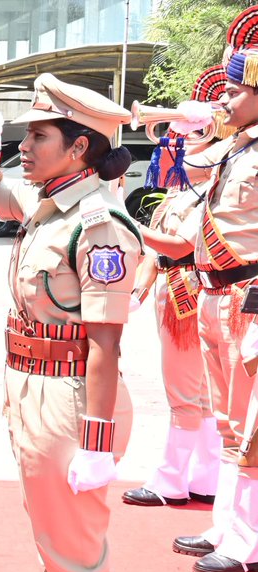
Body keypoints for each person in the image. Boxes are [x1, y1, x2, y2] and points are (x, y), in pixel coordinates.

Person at [0, 73, 141, 572]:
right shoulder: (49, 207)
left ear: (79, 148)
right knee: (54, 542)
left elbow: (105, 344)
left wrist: (97, 445)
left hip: (72, 399)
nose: (25, 144)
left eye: (37, 135)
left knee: (79, 555)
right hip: (32, 387)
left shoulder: (96, 224)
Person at [123, 65, 228, 510]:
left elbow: (178, 244)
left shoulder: (206, 193)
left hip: (186, 292)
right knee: (198, 395)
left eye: (191, 138)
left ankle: (171, 480)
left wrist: (124, 223)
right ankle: (204, 477)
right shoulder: (181, 192)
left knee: (186, 393)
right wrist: (136, 291)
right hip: (176, 287)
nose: (179, 146)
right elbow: (157, 255)